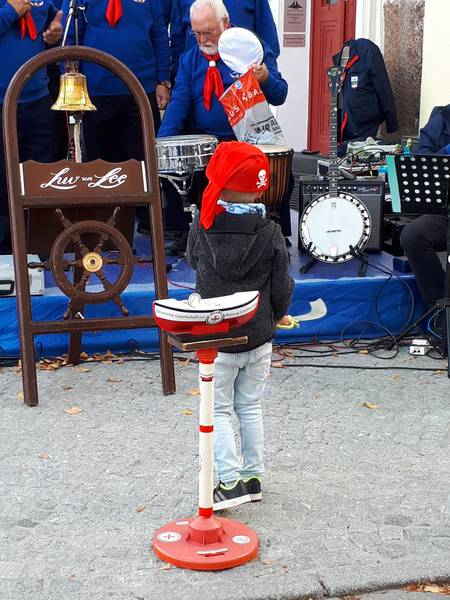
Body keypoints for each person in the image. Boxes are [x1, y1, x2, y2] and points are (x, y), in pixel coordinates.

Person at [186, 141, 294, 509]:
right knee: (250, 407)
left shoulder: (202, 226)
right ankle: (253, 477)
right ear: (260, 188)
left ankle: (230, 482)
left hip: (217, 337)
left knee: (217, 410)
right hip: (258, 335)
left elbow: (192, 261)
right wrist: (277, 314)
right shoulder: (271, 232)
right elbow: (282, 286)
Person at [159, 0, 289, 252]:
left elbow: (280, 94)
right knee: (176, 161)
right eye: (196, 33)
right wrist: (161, 144)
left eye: (207, 32)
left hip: (247, 141)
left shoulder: (253, 49)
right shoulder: (189, 60)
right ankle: (188, 231)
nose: (201, 40)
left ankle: (271, 232)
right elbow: (179, 103)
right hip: (209, 143)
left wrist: (265, 78)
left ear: (225, 23)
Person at [61, 0, 171, 231]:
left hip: (141, 88)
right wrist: (71, 80)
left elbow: (160, 35)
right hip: (96, 90)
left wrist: (162, 80)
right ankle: (103, 221)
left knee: (144, 158)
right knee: (99, 161)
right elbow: (70, 36)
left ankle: (148, 220)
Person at [0, 0, 63, 254]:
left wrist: (53, 36)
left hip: (37, 98)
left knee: (38, 174)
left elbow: (51, 28)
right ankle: (5, 249)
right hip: (1, 102)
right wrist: (9, 12)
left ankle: (37, 244)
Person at [400, 104, 450, 324]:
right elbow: (423, 158)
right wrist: (447, 151)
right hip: (446, 210)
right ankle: (440, 309)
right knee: (413, 235)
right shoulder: (442, 119)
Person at [169, 0, 280, 77]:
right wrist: (176, 79)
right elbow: (178, 39)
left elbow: (269, 38)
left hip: (242, 79)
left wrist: (264, 77)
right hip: (196, 78)